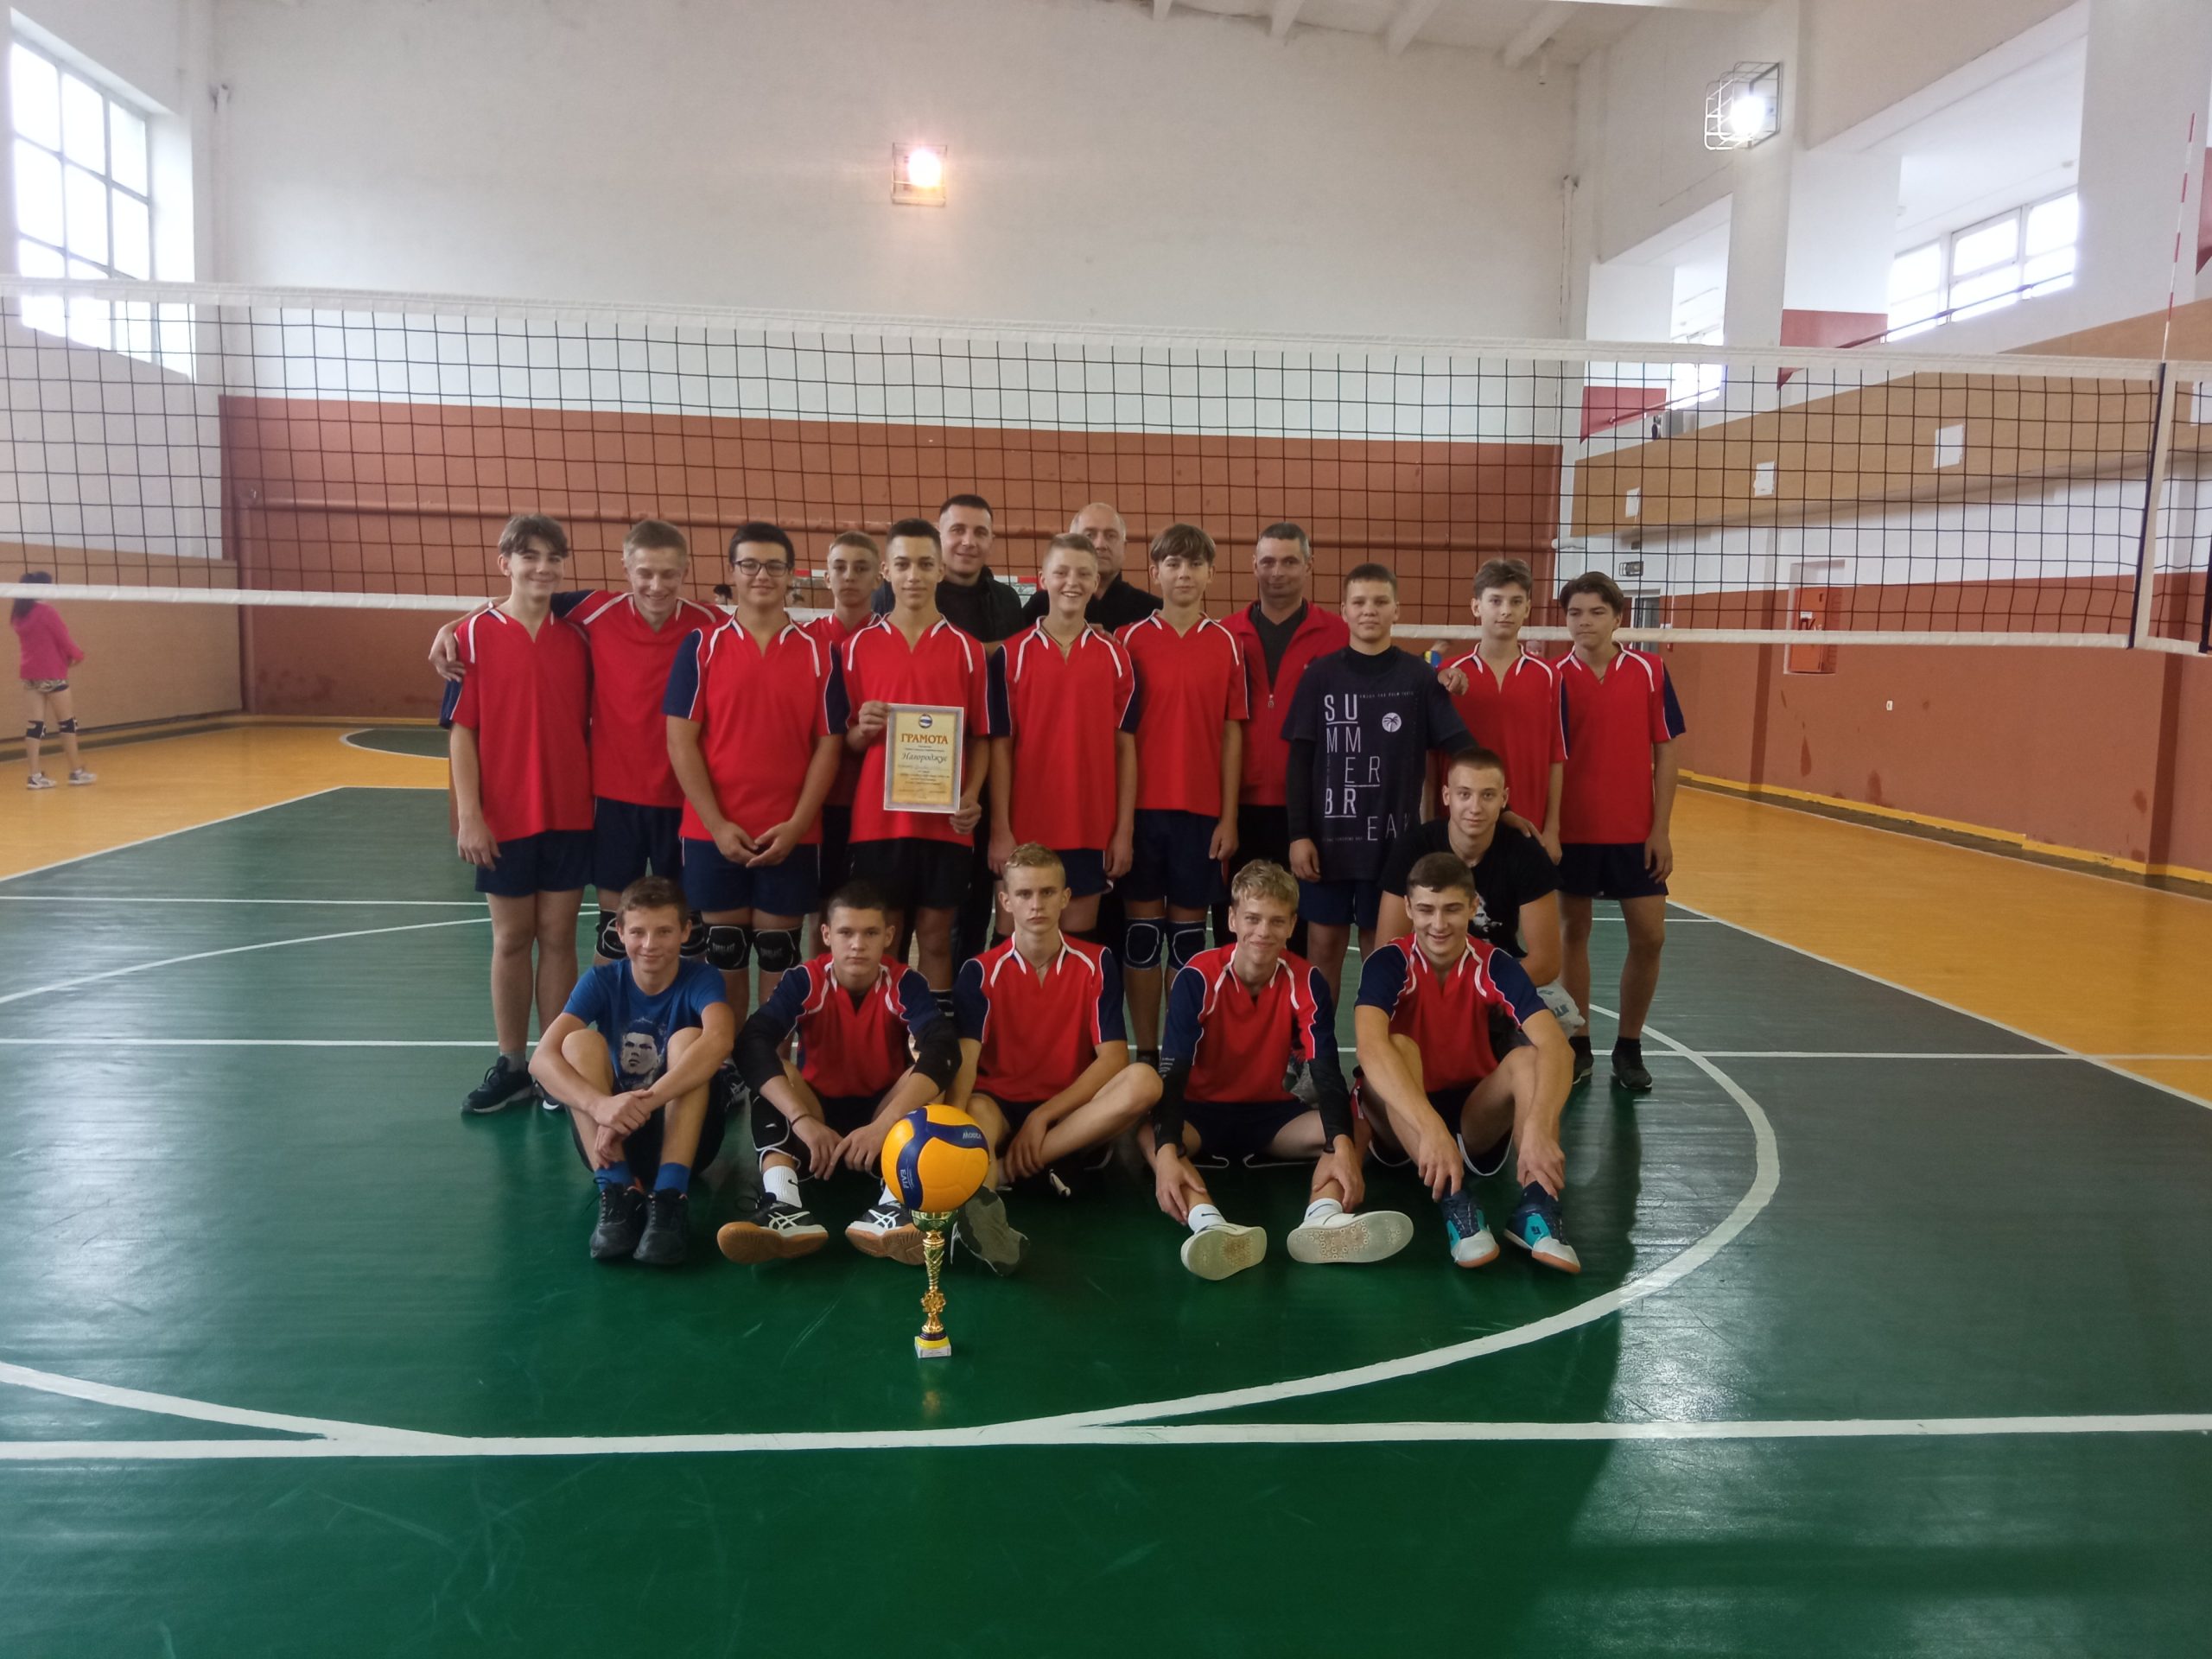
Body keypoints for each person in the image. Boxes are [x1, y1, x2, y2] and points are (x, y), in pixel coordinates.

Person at [1087, 859, 1409, 1281]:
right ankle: (1209, 1224)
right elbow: (1173, 1072)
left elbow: (1326, 1071)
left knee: (1353, 1128)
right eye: (1253, 918)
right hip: (1201, 1115)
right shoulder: (1198, 977)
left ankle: (1323, 1216)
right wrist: (1166, 1154)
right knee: (1152, 1135)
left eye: (1276, 921)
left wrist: (1343, 1146)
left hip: (1271, 1119)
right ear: (1232, 920)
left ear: (1292, 925)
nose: (1263, 931)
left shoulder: (1306, 979)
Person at [429, 519, 721, 970]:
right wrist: (454, 626)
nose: (656, 585)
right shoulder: (595, 610)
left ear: (685, 571)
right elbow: (519, 601)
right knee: (615, 933)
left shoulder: (711, 624)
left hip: (685, 800)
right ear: (626, 569)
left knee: (687, 932)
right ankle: (608, 1015)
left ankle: (684, 1015)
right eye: (645, 573)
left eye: (669, 574)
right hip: (613, 802)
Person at [1353, 853, 1579, 1274]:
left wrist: (1538, 1126)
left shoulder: (1495, 964)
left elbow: (1557, 1048)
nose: (1438, 924)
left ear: (1474, 907)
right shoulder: (1387, 963)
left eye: (1452, 909)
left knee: (1527, 1058)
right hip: (1402, 1122)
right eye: (1426, 910)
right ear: (1408, 908)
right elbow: (1369, 1048)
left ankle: (1537, 1206)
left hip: (1473, 1115)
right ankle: (1458, 1205)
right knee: (1397, 1046)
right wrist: (1430, 1127)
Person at [441, 515, 594, 1116]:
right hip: (503, 817)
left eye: (553, 557)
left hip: (570, 812)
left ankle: (552, 1066)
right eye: (529, 556)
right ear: (505, 563)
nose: (542, 567)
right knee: (511, 939)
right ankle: (511, 1064)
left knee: (558, 937)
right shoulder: (472, 636)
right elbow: (462, 733)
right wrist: (470, 816)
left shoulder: (580, 637)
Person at [722, 880, 961, 1265]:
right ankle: (784, 1205)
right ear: (826, 934)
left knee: (931, 1082)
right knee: (773, 1073)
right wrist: (802, 1121)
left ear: (889, 936)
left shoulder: (905, 983)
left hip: (882, 1127)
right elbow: (752, 1042)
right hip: (817, 1124)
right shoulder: (805, 980)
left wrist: (882, 1126)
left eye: (870, 933)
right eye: (846, 932)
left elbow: (944, 1049)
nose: (857, 945)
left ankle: (894, 1205)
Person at [664, 521, 844, 1022]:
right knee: (723, 957)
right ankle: (725, 1059)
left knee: (779, 959)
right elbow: (681, 741)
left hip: (789, 833)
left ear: (791, 575)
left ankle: (770, 1061)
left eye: (774, 566)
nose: (762, 575)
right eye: (750, 565)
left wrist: (798, 824)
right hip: (714, 831)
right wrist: (717, 825)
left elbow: (829, 747)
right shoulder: (701, 646)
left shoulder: (820, 652)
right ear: (732, 571)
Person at [1282, 563, 1471, 1003]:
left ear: (1396, 610)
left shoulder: (1419, 678)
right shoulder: (1320, 676)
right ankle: (1319, 1045)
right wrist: (1298, 834)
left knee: (1382, 955)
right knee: (1321, 951)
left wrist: (1497, 801)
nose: (1370, 610)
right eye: (1360, 602)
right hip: (1326, 844)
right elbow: (1299, 762)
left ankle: (1376, 1046)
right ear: (1344, 611)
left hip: (1392, 846)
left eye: (1381, 602)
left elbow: (1461, 746)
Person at [530, 877, 736, 1266]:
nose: (650, 944)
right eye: (638, 932)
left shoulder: (701, 978)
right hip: (610, 1140)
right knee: (576, 1043)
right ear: (620, 932)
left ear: (685, 931)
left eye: (664, 931)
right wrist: (601, 1106)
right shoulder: (602, 980)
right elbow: (540, 1059)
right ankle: (618, 1192)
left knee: (691, 1040)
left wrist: (644, 1102)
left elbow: (721, 1039)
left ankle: (671, 1197)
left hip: (685, 1140)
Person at [949, 844, 1136, 1271]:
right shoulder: (979, 971)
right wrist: (953, 1136)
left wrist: (1042, 1116)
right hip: (999, 1104)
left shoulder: (1098, 962)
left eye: (1047, 893)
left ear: (1066, 897)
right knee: (974, 1116)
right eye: (1025, 894)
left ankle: (1008, 1169)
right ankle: (981, 1221)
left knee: (1144, 1081)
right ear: (1006, 901)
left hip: (1068, 1109)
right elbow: (968, 1061)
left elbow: (1112, 1060)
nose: (1037, 904)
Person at [829, 519, 989, 1003]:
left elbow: (981, 736)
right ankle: (886, 1036)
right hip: (879, 823)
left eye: (924, 564)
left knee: (937, 938)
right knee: (886, 937)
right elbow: (845, 741)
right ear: (886, 571)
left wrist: (971, 795)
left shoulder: (967, 649)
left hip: (945, 822)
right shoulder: (857, 647)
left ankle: (932, 1038)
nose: (914, 575)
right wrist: (864, 729)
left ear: (940, 569)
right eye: (902, 564)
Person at [870, 494, 1024, 966]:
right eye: (957, 530)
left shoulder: (1005, 600)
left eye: (980, 532)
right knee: (894, 924)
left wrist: (974, 792)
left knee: (967, 908)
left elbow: (1003, 680)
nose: (968, 541)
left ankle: (962, 997)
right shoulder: (890, 602)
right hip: (896, 801)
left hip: (971, 787)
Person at [1116, 524, 1246, 1063]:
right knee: (1143, 938)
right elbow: (1119, 736)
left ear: (1211, 574)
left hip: (1201, 815)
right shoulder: (1127, 640)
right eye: (1173, 564)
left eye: (1194, 565)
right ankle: (1146, 1052)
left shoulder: (1227, 643)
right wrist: (1121, 824)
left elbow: (1232, 734)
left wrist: (1228, 817)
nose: (1184, 574)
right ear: (1155, 572)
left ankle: (1178, 1057)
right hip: (1142, 812)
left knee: (1189, 942)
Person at [1554, 572, 1685, 1093]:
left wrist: (1661, 829)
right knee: (1573, 934)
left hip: (1635, 833)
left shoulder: (1650, 671)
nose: (1584, 622)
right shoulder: (1552, 676)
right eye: (1575, 613)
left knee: (1650, 937)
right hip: (1571, 831)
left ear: (1618, 617)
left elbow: (1667, 752)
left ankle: (1629, 1046)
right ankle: (1578, 1043)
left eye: (1596, 612)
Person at [986, 533, 1139, 938]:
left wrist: (1123, 831)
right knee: (1013, 940)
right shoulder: (1012, 654)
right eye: (1062, 572)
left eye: (1083, 574)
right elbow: (1000, 747)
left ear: (1095, 582)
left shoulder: (1116, 656)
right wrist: (1000, 829)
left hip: (1090, 827)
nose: (1072, 582)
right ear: (1043, 579)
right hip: (1024, 827)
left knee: (1076, 944)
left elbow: (1125, 749)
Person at [1216, 524, 1345, 958]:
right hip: (1238, 808)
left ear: (1309, 566)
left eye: (1290, 561)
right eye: (1268, 561)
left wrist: (1439, 673)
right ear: (1254, 565)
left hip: (1308, 811)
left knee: (1298, 933)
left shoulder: (1338, 634)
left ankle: (1295, 1006)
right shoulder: (1225, 634)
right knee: (1238, 932)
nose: (1277, 572)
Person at [1374, 747, 1560, 990]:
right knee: (1381, 992)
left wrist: (1474, 992)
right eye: (1464, 794)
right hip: (1425, 979)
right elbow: (1387, 952)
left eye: (1487, 795)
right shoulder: (1413, 849)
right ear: (1446, 796)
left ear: (1503, 799)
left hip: (1498, 977)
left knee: (1556, 1011)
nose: (1475, 808)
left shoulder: (1526, 854)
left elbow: (1546, 963)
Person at [1440, 558, 1566, 858]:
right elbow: (1432, 759)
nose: (1506, 610)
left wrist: (1552, 830)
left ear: (1528, 608)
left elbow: (1556, 757)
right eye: (1495, 601)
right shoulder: (1449, 674)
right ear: (1476, 606)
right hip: (1461, 824)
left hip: (1528, 824)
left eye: (1516, 601)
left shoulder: (1549, 675)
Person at [800, 531, 881, 898]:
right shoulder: (803, 640)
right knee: (824, 903)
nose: (849, 576)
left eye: (861, 568)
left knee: (875, 904)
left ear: (878, 578)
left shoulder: (895, 639)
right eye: (840, 567)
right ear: (826, 576)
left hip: (881, 798)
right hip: (819, 800)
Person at [1018, 502, 1161, 630]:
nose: (1100, 545)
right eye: (1089, 535)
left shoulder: (1151, 611)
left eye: (1111, 536)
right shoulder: (1041, 606)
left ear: (1124, 548)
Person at [10, 571, 92, 789]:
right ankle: (76, 772)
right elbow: (64, 640)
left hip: (30, 675)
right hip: (52, 673)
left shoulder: (19, 614)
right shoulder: (47, 612)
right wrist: (79, 655)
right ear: (40, 588)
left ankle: (34, 776)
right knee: (67, 723)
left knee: (35, 726)